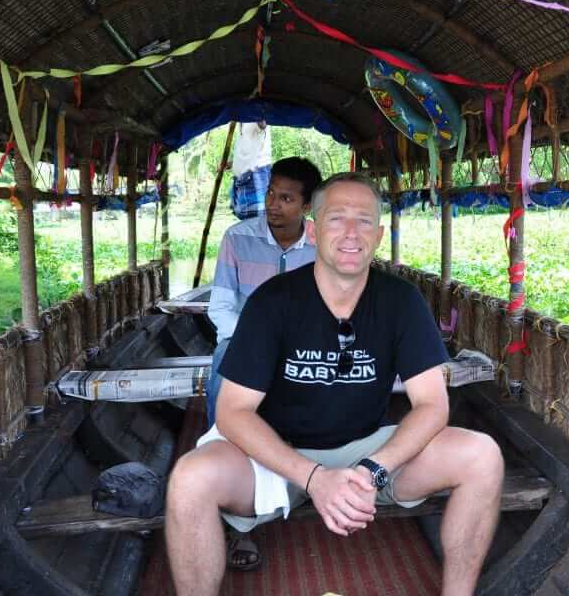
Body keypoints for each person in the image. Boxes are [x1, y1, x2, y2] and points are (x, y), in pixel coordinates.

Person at [166, 172, 504, 596]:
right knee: (189, 478)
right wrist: (314, 478)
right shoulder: (273, 301)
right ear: (313, 229)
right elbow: (233, 412)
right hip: (276, 455)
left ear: (379, 235)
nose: (350, 233)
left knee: (482, 455)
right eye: (336, 218)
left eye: (364, 221)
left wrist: (374, 468)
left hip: (367, 448)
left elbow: (432, 405)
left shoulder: (401, 301)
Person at [204, 154, 322, 571]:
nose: (273, 204)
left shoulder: (323, 245)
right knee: (221, 365)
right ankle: (236, 508)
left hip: (307, 346)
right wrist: (257, 343)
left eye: (286, 198)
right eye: (272, 193)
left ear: (307, 206)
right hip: (245, 342)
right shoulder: (238, 239)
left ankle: (324, 472)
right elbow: (220, 306)